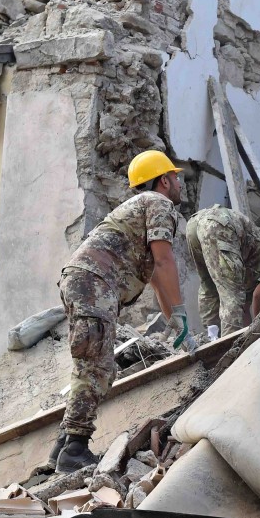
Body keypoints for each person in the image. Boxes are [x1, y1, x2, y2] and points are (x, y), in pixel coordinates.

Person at [51, 150, 197, 474]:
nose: (179, 184)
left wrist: (176, 322)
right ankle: (74, 449)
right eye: (175, 177)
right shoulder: (159, 204)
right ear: (164, 181)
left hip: (84, 281)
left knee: (91, 363)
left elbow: (156, 279)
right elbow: (165, 262)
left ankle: (62, 446)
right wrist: (182, 311)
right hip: (94, 283)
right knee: (97, 366)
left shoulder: (138, 210)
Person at [185, 205, 260, 337]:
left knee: (209, 285)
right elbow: (256, 295)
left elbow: (244, 308)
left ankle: (212, 337)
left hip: (195, 224)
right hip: (220, 225)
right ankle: (229, 346)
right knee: (231, 294)